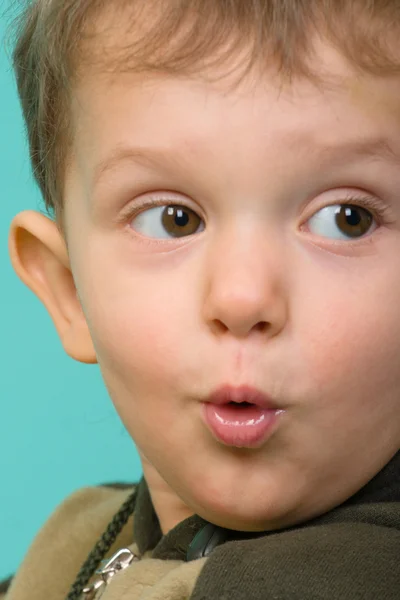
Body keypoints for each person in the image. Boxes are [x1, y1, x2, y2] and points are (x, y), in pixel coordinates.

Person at [2, 0, 400, 598]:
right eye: (174, 220)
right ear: (68, 292)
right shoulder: (72, 544)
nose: (242, 298)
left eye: (346, 219)